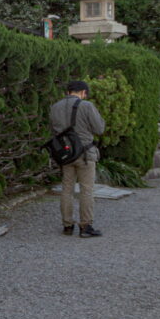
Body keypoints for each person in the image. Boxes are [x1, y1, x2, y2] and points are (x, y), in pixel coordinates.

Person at [50, 80, 106, 237]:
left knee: (66, 189)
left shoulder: (55, 107)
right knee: (86, 189)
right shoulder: (86, 106)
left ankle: (67, 225)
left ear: (68, 92)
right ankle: (85, 226)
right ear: (83, 92)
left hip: (66, 154)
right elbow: (99, 129)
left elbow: (53, 131)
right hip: (85, 154)